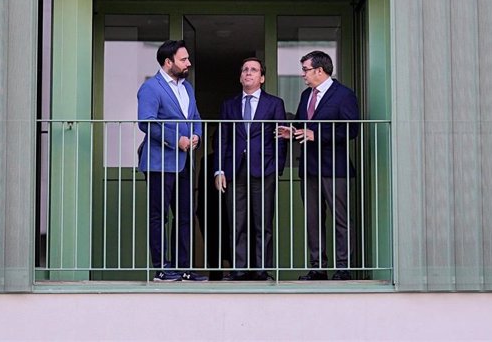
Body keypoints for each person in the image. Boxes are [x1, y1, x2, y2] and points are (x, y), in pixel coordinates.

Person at [277, 51, 359, 280]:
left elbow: (351, 130)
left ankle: (343, 268)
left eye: (305, 70)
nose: (303, 74)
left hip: (336, 168)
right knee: (313, 220)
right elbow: (303, 126)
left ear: (319, 71)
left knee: (341, 219)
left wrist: (317, 135)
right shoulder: (305, 95)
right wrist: (291, 132)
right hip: (309, 168)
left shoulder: (343, 95)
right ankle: (318, 267)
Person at [137, 39, 208, 282]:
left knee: (185, 215)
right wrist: (177, 140)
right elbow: (146, 122)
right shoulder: (151, 88)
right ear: (168, 62)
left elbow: (195, 116)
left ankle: (183, 266)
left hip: (185, 161)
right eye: (183, 59)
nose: (188, 63)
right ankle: (161, 268)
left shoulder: (187, 88)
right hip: (159, 161)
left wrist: (197, 134)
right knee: (159, 216)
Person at [214, 58, 287, 280]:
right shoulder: (229, 104)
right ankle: (239, 269)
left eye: (253, 70)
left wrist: (276, 167)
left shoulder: (274, 103)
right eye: (245, 69)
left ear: (262, 78)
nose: (248, 73)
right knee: (236, 221)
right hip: (234, 169)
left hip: (264, 169)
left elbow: (280, 138)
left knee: (262, 222)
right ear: (240, 77)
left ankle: (262, 270)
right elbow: (222, 138)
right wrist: (218, 170)